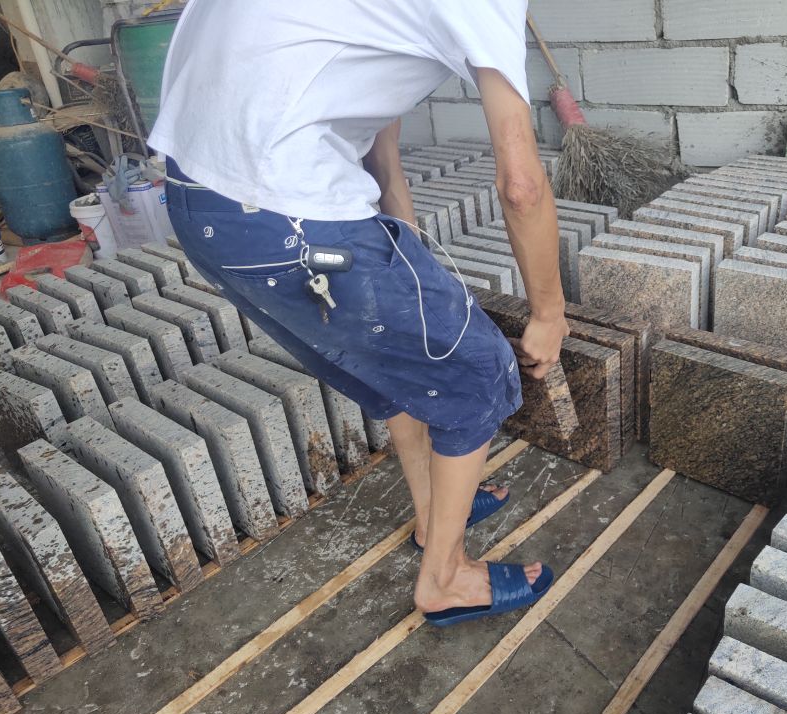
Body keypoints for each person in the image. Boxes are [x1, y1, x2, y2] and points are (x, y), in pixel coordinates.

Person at [150, 1, 569, 626]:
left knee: (396, 358)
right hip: (282, 214)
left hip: (199, 204)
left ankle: (432, 517)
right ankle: (445, 579)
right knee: (477, 371)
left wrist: (404, 258)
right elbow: (522, 186)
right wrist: (549, 312)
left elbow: (380, 145)